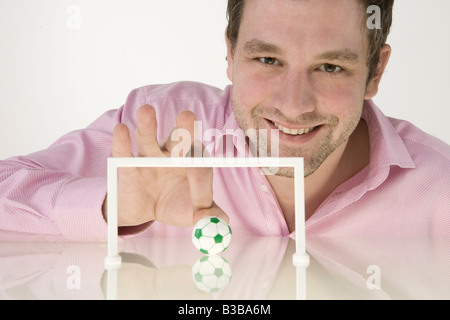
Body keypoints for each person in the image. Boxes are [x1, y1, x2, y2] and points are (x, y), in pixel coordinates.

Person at [0, 0, 449, 241]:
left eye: (331, 67)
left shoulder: (439, 190)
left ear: (376, 71)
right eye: (267, 58)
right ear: (231, 56)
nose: (293, 106)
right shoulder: (158, 128)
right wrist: (109, 207)